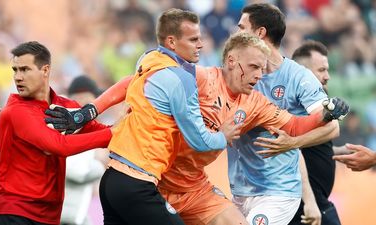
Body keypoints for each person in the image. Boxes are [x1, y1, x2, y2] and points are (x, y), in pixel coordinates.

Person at [47, 32, 349, 225]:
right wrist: (90, 110)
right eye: (255, 67)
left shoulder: (256, 103)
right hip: (153, 178)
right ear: (232, 61)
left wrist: (326, 113)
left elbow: (296, 126)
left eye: (264, 69)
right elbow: (136, 81)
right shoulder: (199, 78)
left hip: (194, 186)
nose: (261, 75)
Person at [45, 8, 241, 225]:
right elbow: (200, 140)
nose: (201, 44)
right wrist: (223, 136)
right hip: (137, 183)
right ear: (172, 42)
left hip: (111, 181)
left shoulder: (149, 59)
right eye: (193, 39)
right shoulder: (181, 80)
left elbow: (127, 82)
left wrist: (87, 112)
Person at [228, 3, 341, 225]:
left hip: (280, 191)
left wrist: (293, 142)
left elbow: (333, 127)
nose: (236, 33)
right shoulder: (236, 73)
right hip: (241, 190)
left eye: (242, 27)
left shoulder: (298, 77)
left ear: (259, 33)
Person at [0, 41, 113, 225]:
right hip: (14, 211)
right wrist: (112, 134)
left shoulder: (66, 106)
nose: (18, 77)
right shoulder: (15, 111)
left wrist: (125, 128)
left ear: (45, 70)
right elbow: (58, 146)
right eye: (15, 70)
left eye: (25, 69)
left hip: (49, 215)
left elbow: (102, 131)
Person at [287, 41, 342, 225]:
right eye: (321, 70)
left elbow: (308, 146)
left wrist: (336, 152)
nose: (327, 76)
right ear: (302, 73)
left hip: (315, 203)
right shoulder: (294, 106)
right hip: (308, 205)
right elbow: (291, 151)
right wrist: (309, 201)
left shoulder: (314, 105)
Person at [60, 76, 106, 225]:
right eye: (94, 100)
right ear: (84, 99)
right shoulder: (69, 128)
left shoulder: (83, 128)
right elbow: (76, 171)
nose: (97, 106)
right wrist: (99, 166)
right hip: (62, 215)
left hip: (74, 216)